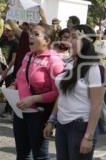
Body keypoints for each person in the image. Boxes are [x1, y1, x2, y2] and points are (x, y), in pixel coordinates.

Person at [43, 24, 106, 160]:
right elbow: (62, 93)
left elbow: (97, 104)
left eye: (74, 37)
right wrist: (52, 120)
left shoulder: (94, 68)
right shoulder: (70, 63)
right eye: (69, 37)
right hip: (62, 125)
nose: (69, 41)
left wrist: (88, 137)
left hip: (80, 127)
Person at [12, 22, 64, 160]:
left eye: (36, 34)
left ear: (47, 41)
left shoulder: (55, 61)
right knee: (22, 154)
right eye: (31, 34)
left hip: (39, 115)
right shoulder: (28, 55)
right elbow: (20, 78)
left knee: (40, 156)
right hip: (20, 112)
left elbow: (58, 93)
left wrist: (34, 99)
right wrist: (12, 87)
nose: (31, 37)